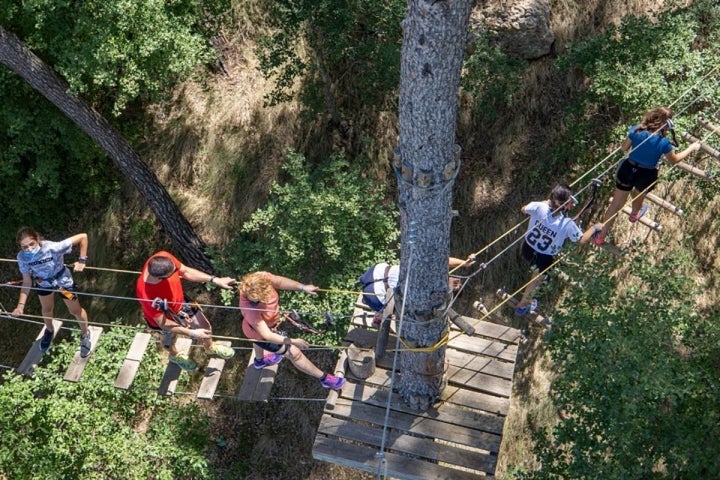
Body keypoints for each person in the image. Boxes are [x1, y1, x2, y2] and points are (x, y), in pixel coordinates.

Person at [594, 107, 701, 245]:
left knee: (615, 204)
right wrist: (692, 147)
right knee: (639, 194)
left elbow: (623, 148)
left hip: (628, 168)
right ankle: (634, 214)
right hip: (646, 173)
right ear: (666, 124)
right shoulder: (663, 143)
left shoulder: (637, 129)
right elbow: (674, 160)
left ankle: (600, 236)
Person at [238, 271, 345, 391]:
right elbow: (267, 335)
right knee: (295, 354)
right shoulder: (250, 309)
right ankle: (324, 379)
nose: (267, 299)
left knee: (256, 340)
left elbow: (280, 282)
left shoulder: (260, 278)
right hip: (261, 335)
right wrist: (292, 341)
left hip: (260, 327)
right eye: (261, 299)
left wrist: (303, 287)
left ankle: (259, 361)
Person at [136, 251, 236, 371]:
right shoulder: (145, 294)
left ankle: (209, 347)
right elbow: (162, 323)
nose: (176, 271)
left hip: (182, 302)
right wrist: (192, 333)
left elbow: (186, 271)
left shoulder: (163, 257)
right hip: (163, 317)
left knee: (204, 326)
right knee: (169, 339)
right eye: (173, 272)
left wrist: (215, 280)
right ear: (160, 278)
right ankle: (174, 355)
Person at [515, 184, 599, 316]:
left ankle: (527, 300)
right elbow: (580, 240)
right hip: (544, 257)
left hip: (527, 248)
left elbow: (523, 209)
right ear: (566, 204)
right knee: (538, 279)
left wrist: (543, 203)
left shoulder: (539, 207)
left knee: (536, 275)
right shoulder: (567, 223)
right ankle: (523, 305)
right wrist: (594, 228)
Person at [12, 227, 93, 357]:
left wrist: (82, 260)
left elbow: (83, 236)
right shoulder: (22, 258)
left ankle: (85, 333)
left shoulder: (52, 248)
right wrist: (20, 306)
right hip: (43, 284)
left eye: (32, 244)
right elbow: (26, 281)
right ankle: (49, 330)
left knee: (75, 310)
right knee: (46, 309)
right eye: (24, 247)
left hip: (63, 283)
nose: (29, 249)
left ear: (37, 240)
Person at [359, 256, 476, 317]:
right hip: (377, 294)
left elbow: (443, 261)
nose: (454, 279)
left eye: (456, 283)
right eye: (457, 280)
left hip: (376, 273)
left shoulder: (434, 285)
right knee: (404, 310)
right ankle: (380, 314)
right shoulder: (434, 289)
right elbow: (444, 261)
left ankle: (379, 313)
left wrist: (463, 263)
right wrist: (464, 263)